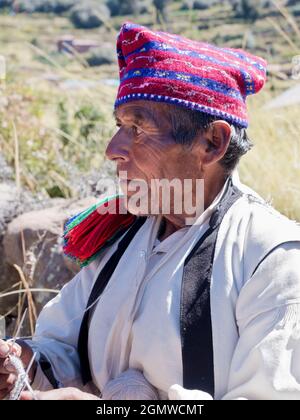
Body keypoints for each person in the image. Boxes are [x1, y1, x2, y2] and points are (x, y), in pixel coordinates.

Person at [1, 22, 300, 400]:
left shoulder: (271, 259)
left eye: (138, 128)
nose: (113, 148)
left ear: (212, 142)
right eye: (120, 125)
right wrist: (21, 362)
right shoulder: (123, 238)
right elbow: (63, 344)